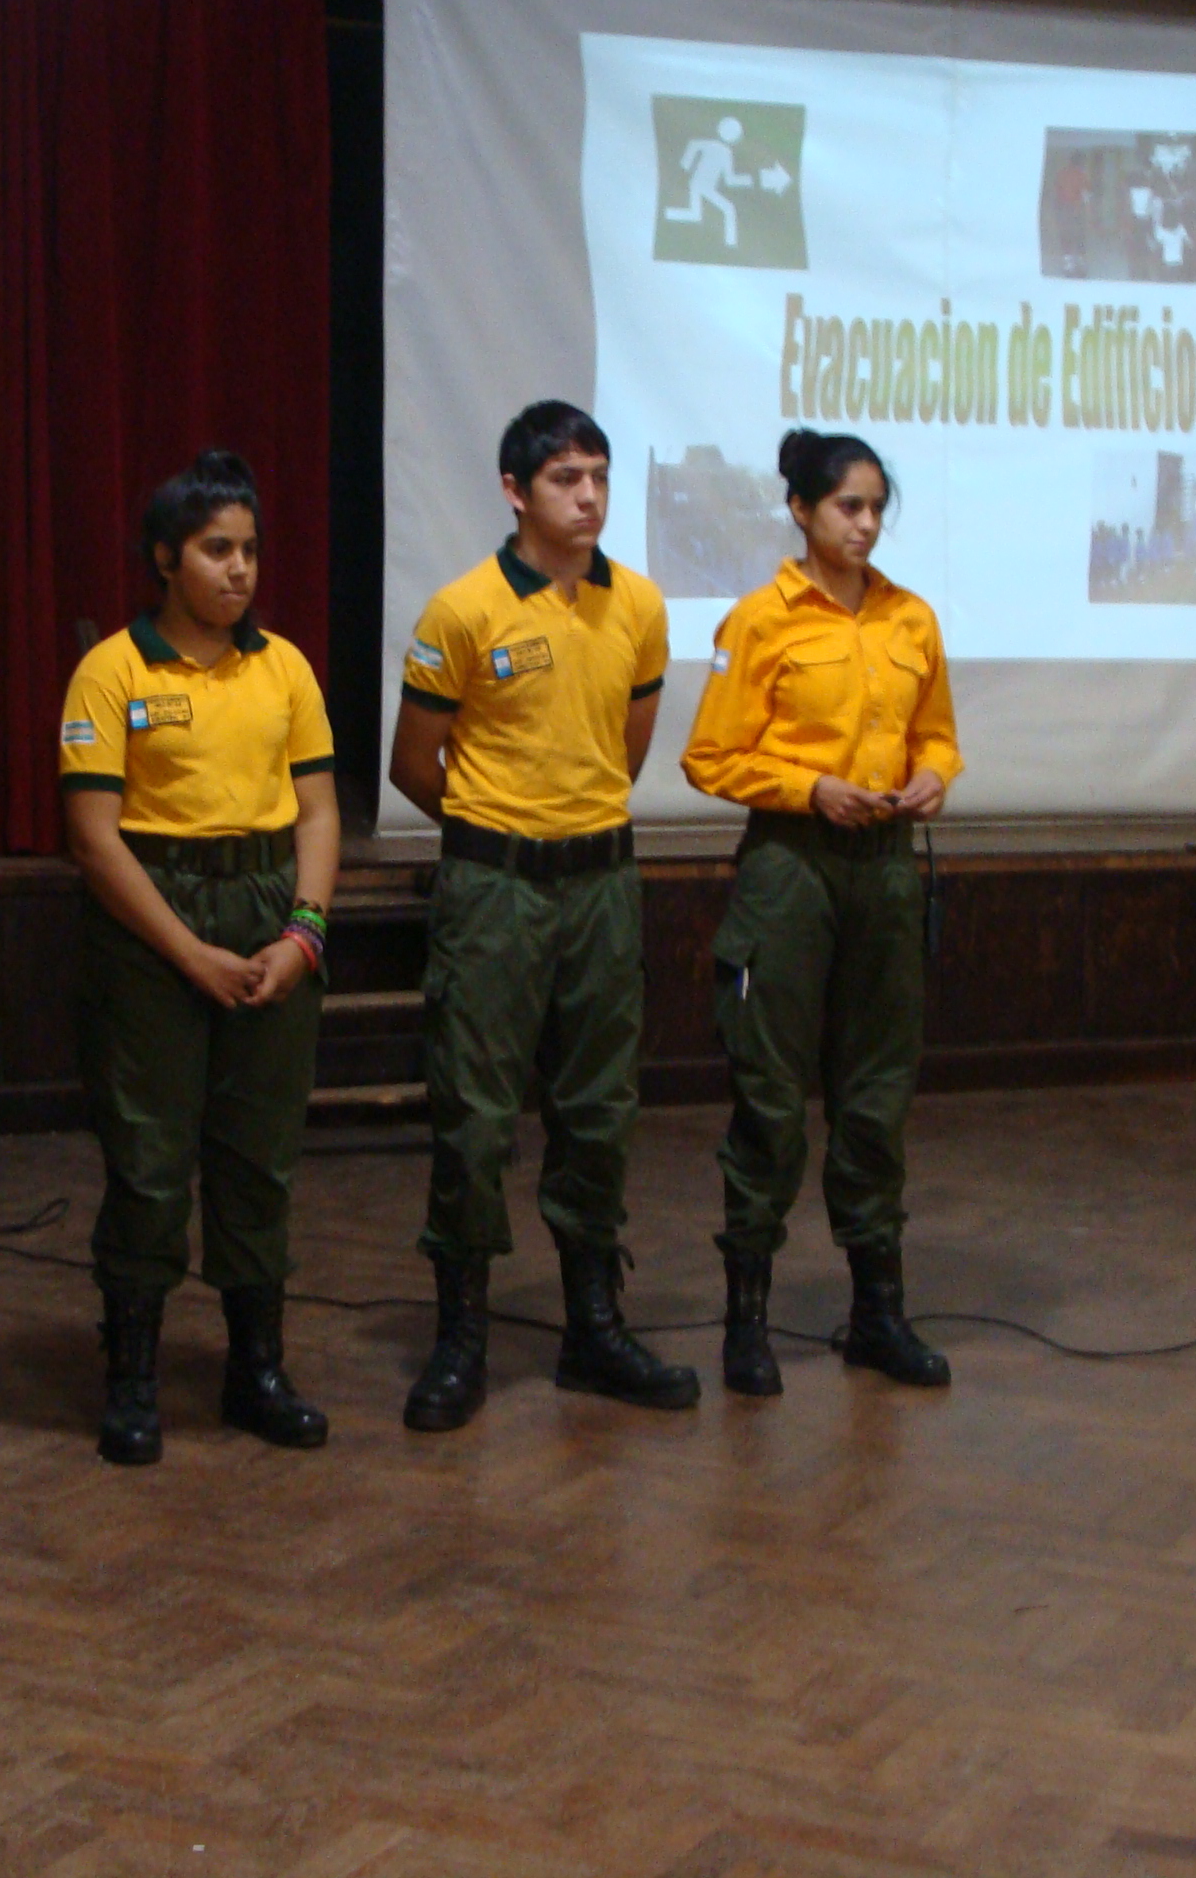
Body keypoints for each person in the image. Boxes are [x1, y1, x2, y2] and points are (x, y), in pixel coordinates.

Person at [390, 399, 699, 1431]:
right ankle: (461, 1337)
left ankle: (593, 1329)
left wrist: (570, 828)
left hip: (601, 886)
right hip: (495, 892)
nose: (590, 497)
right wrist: (498, 836)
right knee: (475, 1119)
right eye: (568, 479)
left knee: (598, 1110)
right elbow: (413, 762)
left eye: (601, 477)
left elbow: (628, 746)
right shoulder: (463, 609)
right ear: (517, 492)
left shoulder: (641, 605)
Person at [57, 451, 338, 1466]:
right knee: (149, 1158)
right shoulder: (114, 670)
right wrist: (189, 955)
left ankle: (255, 1368)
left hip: (266, 905)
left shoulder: (285, 667)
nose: (240, 570)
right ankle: (132, 1375)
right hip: (152, 920)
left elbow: (318, 808)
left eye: (252, 551)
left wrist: (303, 932)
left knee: (257, 1157)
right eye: (217, 550)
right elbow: (93, 835)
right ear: (167, 557)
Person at [679, 428, 961, 1398]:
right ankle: (746, 1323)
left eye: (879, 506)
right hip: (793, 867)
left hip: (885, 870)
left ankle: (877, 1311)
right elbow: (709, 758)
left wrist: (931, 778)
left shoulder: (912, 619)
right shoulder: (758, 622)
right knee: (769, 1098)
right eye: (849, 505)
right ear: (800, 510)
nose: (867, 523)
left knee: (876, 1096)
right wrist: (809, 789)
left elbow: (940, 739)